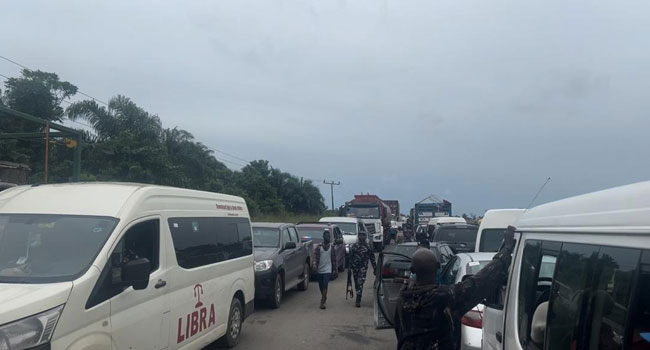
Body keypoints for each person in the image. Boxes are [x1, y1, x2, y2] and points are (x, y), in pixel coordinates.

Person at [394, 225, 517, 350]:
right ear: (438, 267)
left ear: (412, 270)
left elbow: (399, 330)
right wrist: (506, 250)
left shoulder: (403, 297)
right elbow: (481, 281)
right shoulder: (443, 298)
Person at [348, 230, 377, 307]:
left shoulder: (368, 247)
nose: (362, 237)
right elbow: (350, 258)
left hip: (363, 268)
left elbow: (372, 258)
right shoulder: (354, 246)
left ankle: (358, 299)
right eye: (360, 235)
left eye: (363, 235)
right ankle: (358, 293)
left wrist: (375, 268)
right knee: (357, 283)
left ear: (365, 236)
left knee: (360, 282)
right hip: (355, 268)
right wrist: (349, 268)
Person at [312, 230, 337, 309]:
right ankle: (324, 296)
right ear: (323, 237)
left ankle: (322, 302)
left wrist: (334, 269)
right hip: (320, 269)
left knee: (325, 285)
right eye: (327, 236)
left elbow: (334, 259)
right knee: (321, 285)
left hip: (328, 269)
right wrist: (315, 265)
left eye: (329, 236)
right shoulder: (319, 247)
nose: (328, 238)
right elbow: (315, 258)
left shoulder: (332, 248)